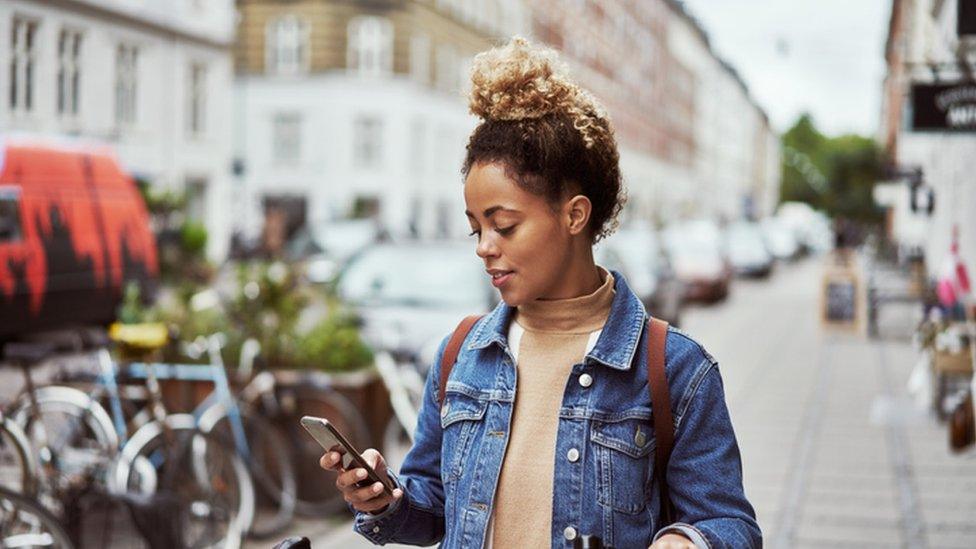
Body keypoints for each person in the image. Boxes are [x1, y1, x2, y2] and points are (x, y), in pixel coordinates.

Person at [320, 36, 761, 549]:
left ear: (575, 214)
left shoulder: (675, 370)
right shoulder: (461, 355)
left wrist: (689, 542)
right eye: (475, 229)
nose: (485, 248)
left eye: (503, 226)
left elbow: (732, 526)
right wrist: (389, 500)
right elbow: (435, 507)